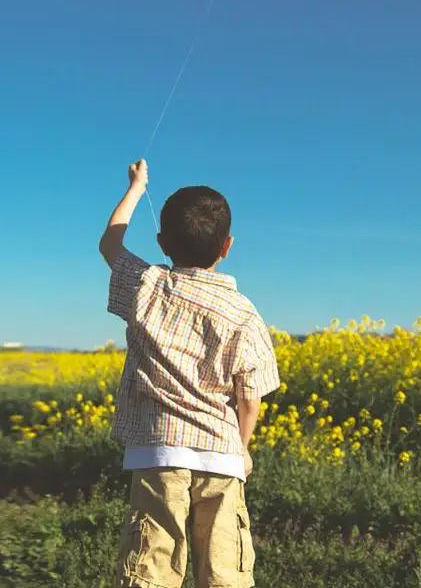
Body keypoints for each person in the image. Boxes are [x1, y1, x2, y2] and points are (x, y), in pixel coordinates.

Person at [99, 159, 280, 588]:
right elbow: (249, 396)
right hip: (222, 456)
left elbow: (110, 243)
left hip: (158, 454)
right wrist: (242, 448)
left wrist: (136, 187)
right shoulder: (243, 312)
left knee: (150, 569)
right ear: (227, 246)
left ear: (162, 243)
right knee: (225, 573)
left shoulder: (146, 285)